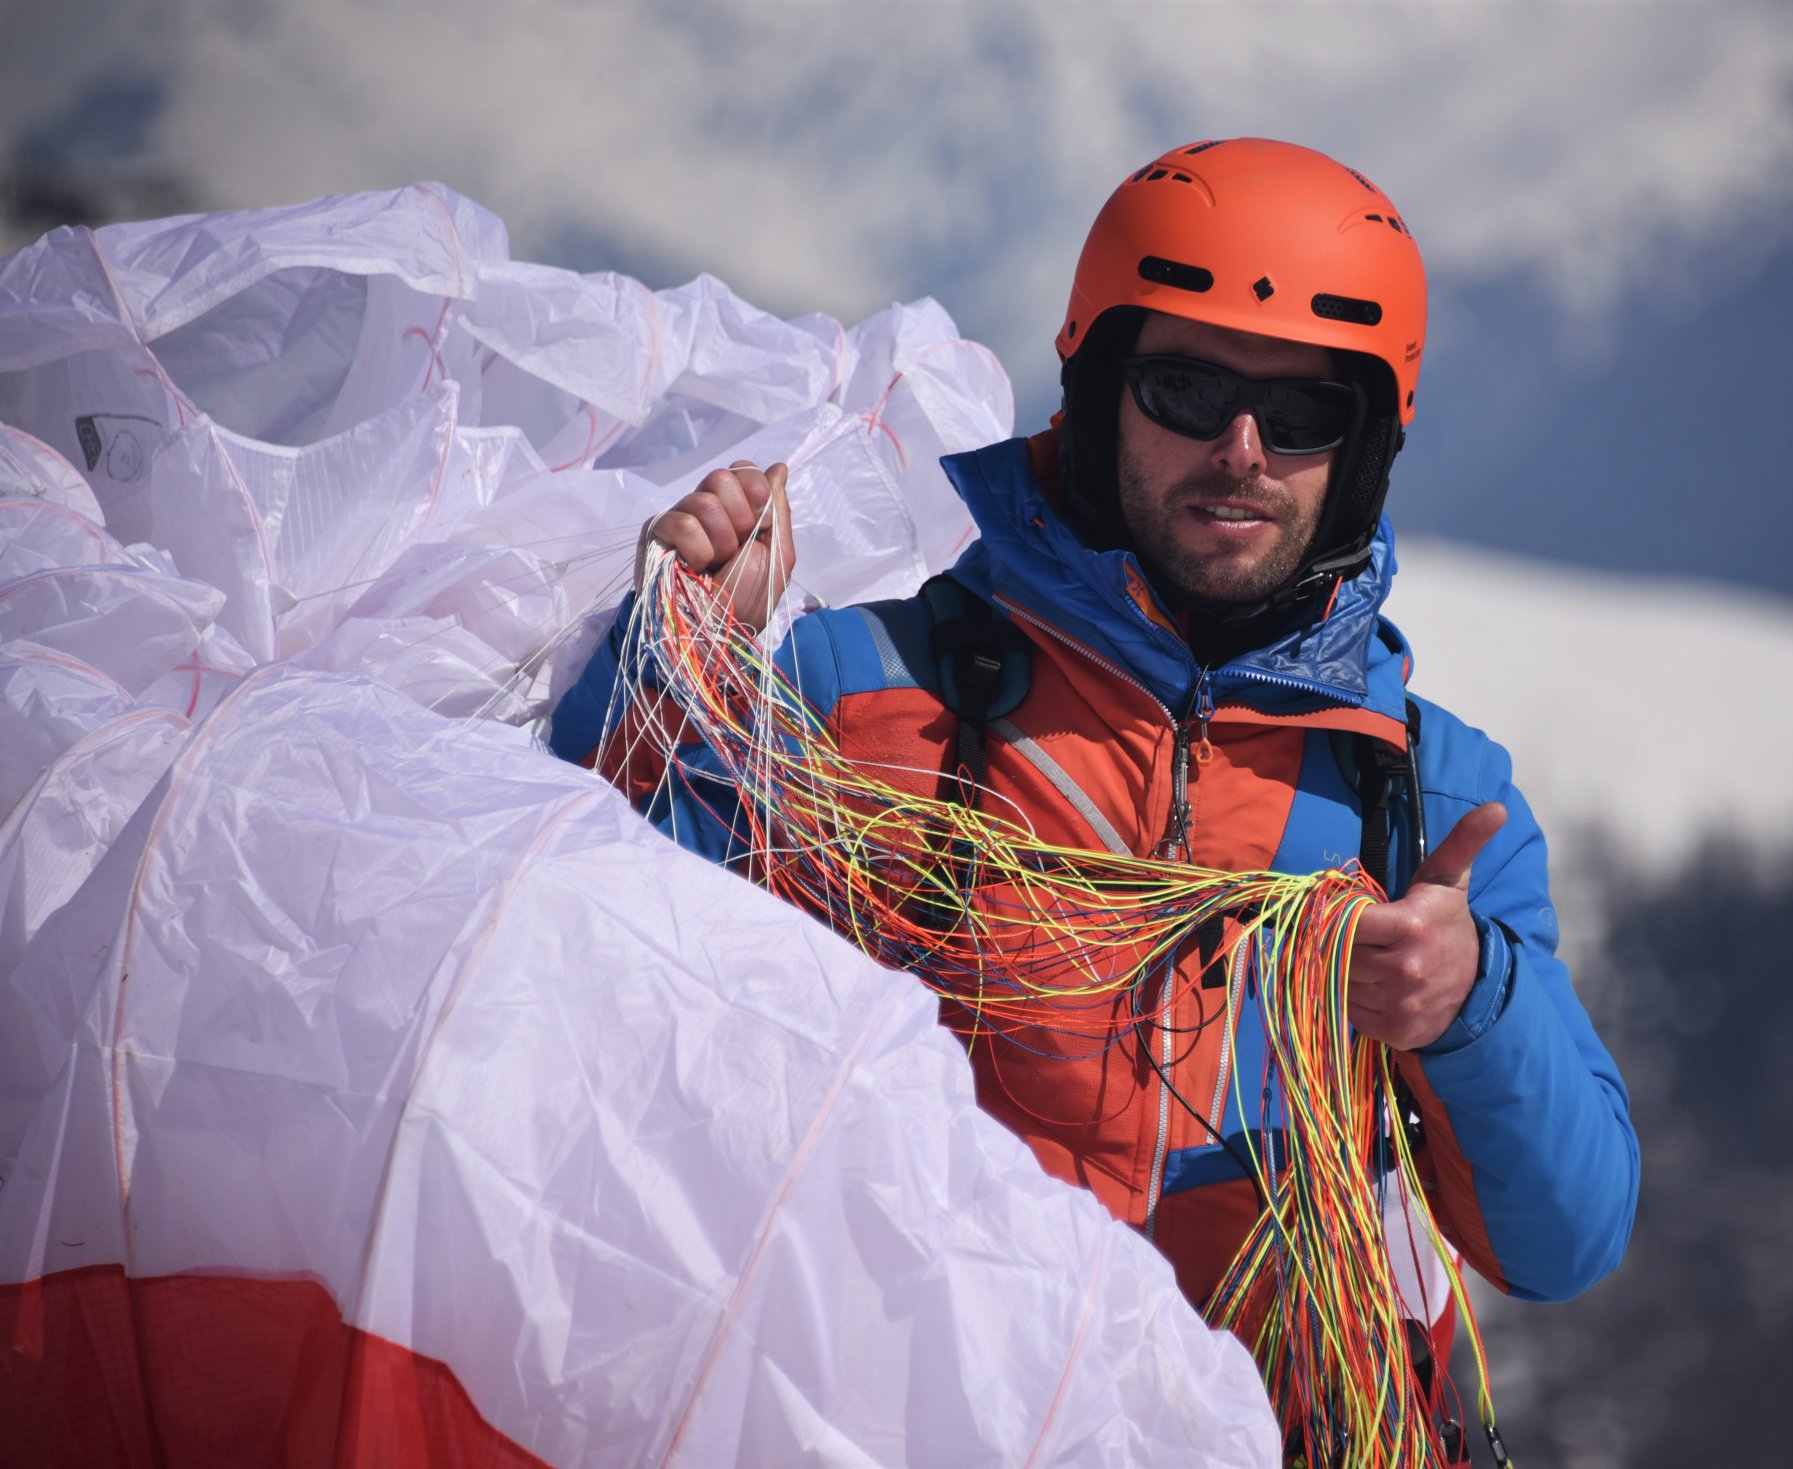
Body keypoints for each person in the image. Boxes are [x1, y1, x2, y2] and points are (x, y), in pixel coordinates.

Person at [551, 136, 1637, 1418]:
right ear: (1101, 389)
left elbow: (1562, 1238)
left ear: (1361, 450)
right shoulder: (861, 695)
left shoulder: (1430, 801)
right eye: (1186, 388)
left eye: (1301, 414)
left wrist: (1467, 1004)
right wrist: (673, 679)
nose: (1241, 448)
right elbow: (594, 1006)